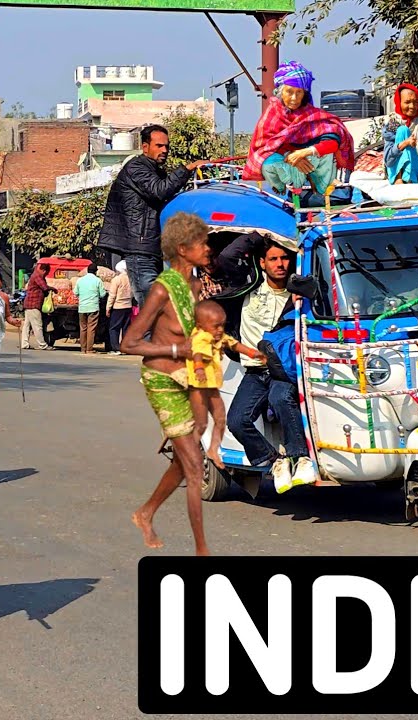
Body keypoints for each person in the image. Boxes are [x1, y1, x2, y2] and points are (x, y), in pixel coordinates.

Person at [119, 212, 213, 555]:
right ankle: (202, 550)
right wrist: (176, 348)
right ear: (183, 248)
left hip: (190, 378)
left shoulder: (197, 285)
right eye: (202, 243)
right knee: (193, 464)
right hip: (162, 379)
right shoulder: (162, 288)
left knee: (185, 458)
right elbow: (128, 343)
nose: (208, 248)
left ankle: (145, 513)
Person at [218, 237, 317, 491]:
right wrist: (263, 234)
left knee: (282, 399)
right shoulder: (247, 285)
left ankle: (301, 458)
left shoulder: (299, 293)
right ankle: (274, 462)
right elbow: (227, 258)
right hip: (254, 371)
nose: (280, 264)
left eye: (284, 258)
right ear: (262, 263)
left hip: (283, 371)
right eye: (273, 259)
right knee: (238, 420)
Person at [98, 125, 209, 305]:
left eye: (166, 146)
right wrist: (188, 168)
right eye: (159, 146)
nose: (164, 150)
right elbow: (159, 191)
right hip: (140, 249)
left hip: (154, 249)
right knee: (153, 310)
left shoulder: (155, 171)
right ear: (145, 147)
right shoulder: (136, 168)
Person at [243, 61, 355, 200]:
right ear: (280, 92)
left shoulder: (312, 115)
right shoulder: (271, 117)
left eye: (299, 92)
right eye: (289, 92)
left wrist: (306, 152)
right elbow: (263, 152)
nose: (294, 98)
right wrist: (291, 158)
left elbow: (333, 140)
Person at [187, 300, 261, 469]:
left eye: (222, 326)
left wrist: (252, 352)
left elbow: (233, 344)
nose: (220, 330)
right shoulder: (200, 338)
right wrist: (199, 368)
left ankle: (213, 449)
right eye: (216, 326)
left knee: (221, 420)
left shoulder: (218, 335)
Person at [73, 262, 107, 355]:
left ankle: (83, 348)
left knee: (83, 328)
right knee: (91, 328)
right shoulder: (98, 281)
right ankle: (89, 349)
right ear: (96, 271)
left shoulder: (80, 280)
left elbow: (75, 292)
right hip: (93, 307)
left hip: (82, 308)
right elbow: (103, 294)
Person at [21, 261, 53, 351]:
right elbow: (44, 287)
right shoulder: (37, 276)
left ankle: (25, 343)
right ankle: (42, 344)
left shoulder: (35, 275)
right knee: (37, 325)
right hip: (33, 304)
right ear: (43, 270)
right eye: (46, 272)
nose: (45, 274)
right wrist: (53, 289)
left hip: (29, 304)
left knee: (27, 325)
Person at [105, 260, 134, 355]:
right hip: (128, 306)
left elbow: (112, 295)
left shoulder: (116, 280)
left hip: (118, 306)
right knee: (126, 328)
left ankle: (115, 348)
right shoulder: (131, 279)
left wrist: (108, 307)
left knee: (114, 328)